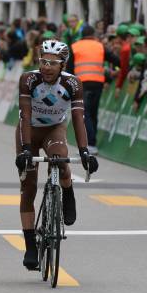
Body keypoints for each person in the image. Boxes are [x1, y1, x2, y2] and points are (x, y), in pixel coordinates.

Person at [15, 40, 98, 271]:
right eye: (43, 61)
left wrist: (84, 152)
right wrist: (25, 150)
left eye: (52, 63)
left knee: (61, 162)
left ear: (63, 65)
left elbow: (79, 119)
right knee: (29, 186)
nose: (46, 67)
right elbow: (25, 115)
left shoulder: (73, 83)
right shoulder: (28, 80)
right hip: (29, 129)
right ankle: (31, 246)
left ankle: (68, 193)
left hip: (54, 129)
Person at [69, 25, 109, 154]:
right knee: (93, 113)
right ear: (93, 34)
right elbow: (115, 60)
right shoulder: (100, 46)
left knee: (84, 113)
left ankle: (90, 144)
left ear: (81, 34)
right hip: (98, 83)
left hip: (81, 84)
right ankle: (92, 144)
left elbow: (69, 69)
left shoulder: (75, 46)